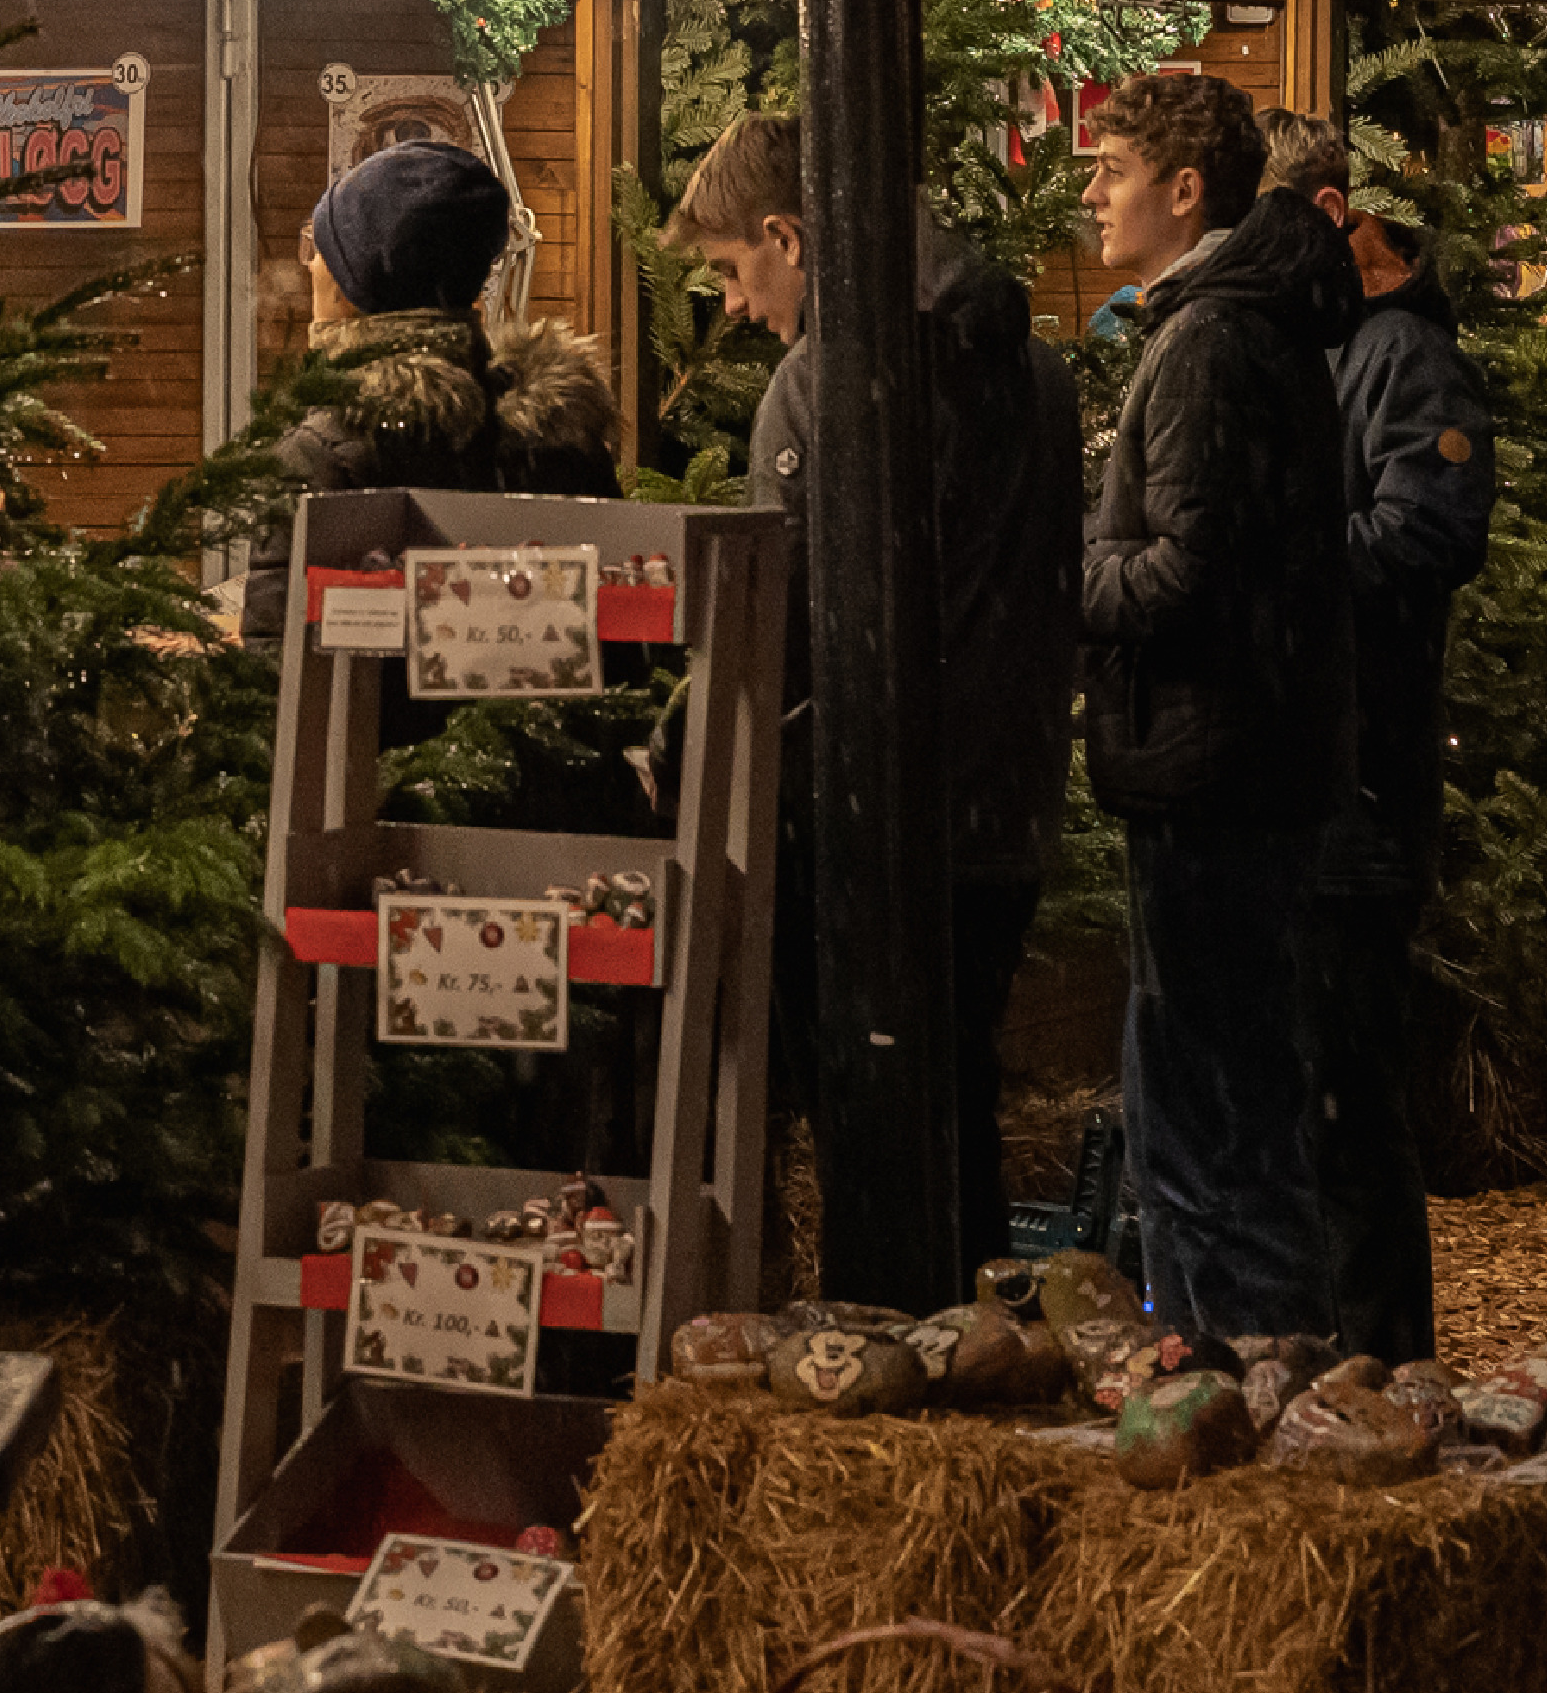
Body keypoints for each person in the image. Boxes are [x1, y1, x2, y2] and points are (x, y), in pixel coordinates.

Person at [671, 112, 1082, 1276]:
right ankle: (968, 1347)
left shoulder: (825, 386)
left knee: (872, 1115)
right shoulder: (1034, 365)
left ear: (789, 236)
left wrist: (702, 735)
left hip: (874, 817)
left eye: (731, 271)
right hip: (1006, 800)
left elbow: (789, 615)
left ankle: (887, 1356)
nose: (737, 306)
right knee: (957, 1109)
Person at [1072, 66, 1358, 1349]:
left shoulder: (1208, 342)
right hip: (1235, 767)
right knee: (1223, 1103)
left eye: (1113, 170)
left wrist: (1073, 578)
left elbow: (1193, 569)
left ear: (1185, 192)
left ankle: (1242, 1388)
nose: (1091, 194)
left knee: (1212, 1128)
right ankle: (1240, 1377)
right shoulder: (1237, 325)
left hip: (1208, 774)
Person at [1258, 111, 1496, 1361]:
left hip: (1362, 782)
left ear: (1329, 216)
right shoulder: (1329, 349)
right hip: (1320, 779)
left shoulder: (1399, 356)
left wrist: (1278, 562)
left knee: (1347, 1110)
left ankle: (1383, 1363)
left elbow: (1430, 534)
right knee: (1313, 1104)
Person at [271, 140, 614, 498]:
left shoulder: (314, 456)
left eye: (316, 248)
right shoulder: (560, 433)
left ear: (347, 291)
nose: (309, 264)